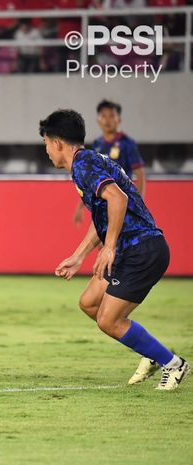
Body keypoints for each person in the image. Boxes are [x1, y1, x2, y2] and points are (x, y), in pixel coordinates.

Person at [40, 109, 189, 391]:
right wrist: (79, 256)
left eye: (47, 144)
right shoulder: (89, 162)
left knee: (108, 320)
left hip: (141, 250)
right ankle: (151, 352)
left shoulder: (83, 165)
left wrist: (108, 249)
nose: (47, 151)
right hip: (130, 249)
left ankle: (173, 364)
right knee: (89, 304)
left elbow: (117, 200)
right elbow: (105, 216)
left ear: (57, 143)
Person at [74, 99, 146, 226]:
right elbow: (90, 178)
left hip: (122, 203)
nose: (107, 120)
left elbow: (140, 174)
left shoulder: (127, 144)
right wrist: (80, 207)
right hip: (101, 205)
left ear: (119, 119)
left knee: (121, 242)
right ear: (98, 120)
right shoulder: (96, 145)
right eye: (103, 116)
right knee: (103, 242)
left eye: (112, 116)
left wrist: (137, 204)